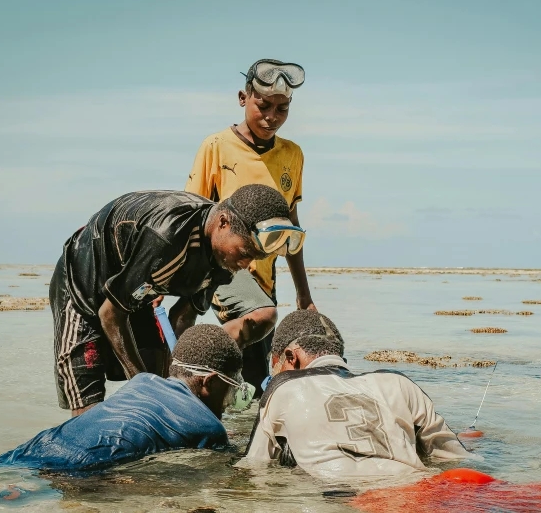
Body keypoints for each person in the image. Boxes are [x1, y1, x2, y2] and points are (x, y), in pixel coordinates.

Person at [50, 184, 301, 416]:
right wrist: (144, 387)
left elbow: (183, 316)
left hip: (134, 291)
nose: (246, 264)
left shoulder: (223, 257)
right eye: (245, 253)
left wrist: (182, 389)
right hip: (83, 288)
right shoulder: (167, 239)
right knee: (90, 399)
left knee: (160, 378)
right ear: (223, 223)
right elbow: (109, 313)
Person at [184, 59, 315, 393]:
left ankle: (238, 430)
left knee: (258, 380)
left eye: (282, 109)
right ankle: (193, 373)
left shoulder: (293, 154)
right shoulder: (216, 146)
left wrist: (304, 293)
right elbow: (191, 215)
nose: (272, 117)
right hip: (224, 269)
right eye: (263, 106)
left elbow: (291, 225)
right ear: (243, 98)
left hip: (265, 277)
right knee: (261, 318)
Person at [243, 310, 479, 480]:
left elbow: (254, 469)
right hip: (412, 489)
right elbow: (454, 457)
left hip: (334, 496)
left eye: (276, 367)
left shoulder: (283, 387)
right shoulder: (398, 382)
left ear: (290, 357)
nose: (275, 376)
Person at [0, 324, 248, 471]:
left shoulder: (142, 380)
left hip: (42, 442)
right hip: (85, 465)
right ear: (209, 382)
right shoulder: (209, 428)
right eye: (231, 390)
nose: (228, 402)